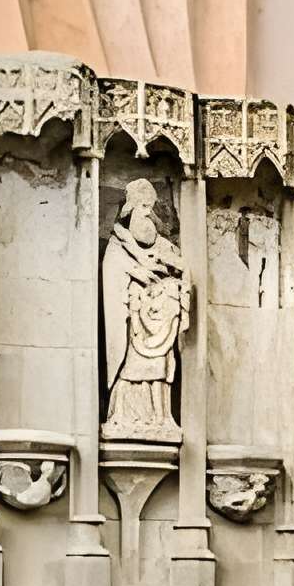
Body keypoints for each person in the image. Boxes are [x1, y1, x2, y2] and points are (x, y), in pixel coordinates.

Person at [101, 178, 192, 439]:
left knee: (162, 368)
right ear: (131, 207)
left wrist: (169, 272)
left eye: (149, 206)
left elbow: (182, 268)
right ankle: (122, 415)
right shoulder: (119, 244)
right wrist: (137, 271)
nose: (146, 212)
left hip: (162, 320)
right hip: (135, 321)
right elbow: (113, 275)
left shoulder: (162, 243)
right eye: (142, 206)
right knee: (131, 365)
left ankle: (161, 416)